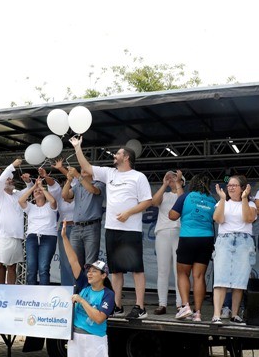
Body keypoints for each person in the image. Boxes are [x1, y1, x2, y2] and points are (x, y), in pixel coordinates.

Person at [70, 136, 153, 320]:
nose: (114, 156)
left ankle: (140, 307)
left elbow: (148, 201)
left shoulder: (138, 177)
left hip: (131, 229)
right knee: (115, 270)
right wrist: (77, 147)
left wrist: (128, 213)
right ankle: (117, 306)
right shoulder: (109, 173)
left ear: (126, 158)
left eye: (118, 154)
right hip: (112, 229)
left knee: (136, 269)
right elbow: (87, 168)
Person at [61, 221, 114, 357]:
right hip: (75, 338)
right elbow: (73, 261)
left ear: (103, 275)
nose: (89, 273)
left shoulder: (108, 294)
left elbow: (99, 318)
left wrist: (81, 300)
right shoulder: (84, 283)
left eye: (94, 271)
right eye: (88, 271)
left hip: (95, 340)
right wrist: (64, 238)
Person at [168, 174, 215, 322]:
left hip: (188, 238)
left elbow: (172, 216)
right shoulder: (213, 200)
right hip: (206, 239)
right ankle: (198, 313)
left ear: (193, 184)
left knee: (182, 273)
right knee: (199, 276)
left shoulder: (186, 197)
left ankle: (185, 306)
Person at [211, 175, 257, 325]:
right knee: (220, 279)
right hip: (225, 240)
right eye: (229, 185)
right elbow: (218, 219)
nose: (230, 187)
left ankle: (235, 314)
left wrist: (244, 199)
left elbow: (248, 218)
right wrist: (223, 199)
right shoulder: (221, 202)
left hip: (244, 241)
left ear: (243, 188)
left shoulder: (251, 204)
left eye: (234, 185)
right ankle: (217, 314)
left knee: (239, 280)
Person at [0, 159, 32, 284]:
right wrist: (12, 165)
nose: (10, 181)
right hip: (3, 236)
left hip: (16, 236)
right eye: (8, 179)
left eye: (11, 179)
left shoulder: (17, 196)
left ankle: (11, 293)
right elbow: (0, 180)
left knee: (12, 267)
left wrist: (28, 182)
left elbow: (29, 190)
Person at [151, 170, 184, 316]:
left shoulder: (183, 195)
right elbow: (153, 202)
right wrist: (164, 184)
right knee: (163, 270)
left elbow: (182, 200)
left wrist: (177, 183)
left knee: (179, 271)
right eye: (170, 179)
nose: (172, 181)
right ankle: (162, 304)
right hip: (163, 233)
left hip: (178, 233)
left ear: (182, 181)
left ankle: (179, 304)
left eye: (175, 179)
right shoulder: (164, 195)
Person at [61, 165, 105, 270]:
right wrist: (68, 181)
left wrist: (77, 175)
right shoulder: (77, 186)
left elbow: (93, 190)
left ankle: (90, 286)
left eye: (86, 168)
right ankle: (79, 286)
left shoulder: (100, 184)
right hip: (76, 228)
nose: (83, 170)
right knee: (75, 262)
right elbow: (65, 196)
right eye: (81, 169)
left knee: (91, 263)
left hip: (91, 227)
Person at [18, 178, 58, 285]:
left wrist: (41, 188)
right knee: (31, 268)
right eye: (36, 192)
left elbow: (53, 201)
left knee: (43, 268)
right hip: (32, 238)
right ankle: (31, 296)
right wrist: (33, 187)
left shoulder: (50, 205)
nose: (38, 192)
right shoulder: (30, 207)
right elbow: (21, 200)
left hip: (48, 237)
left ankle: (43, 296)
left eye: (39, 191)